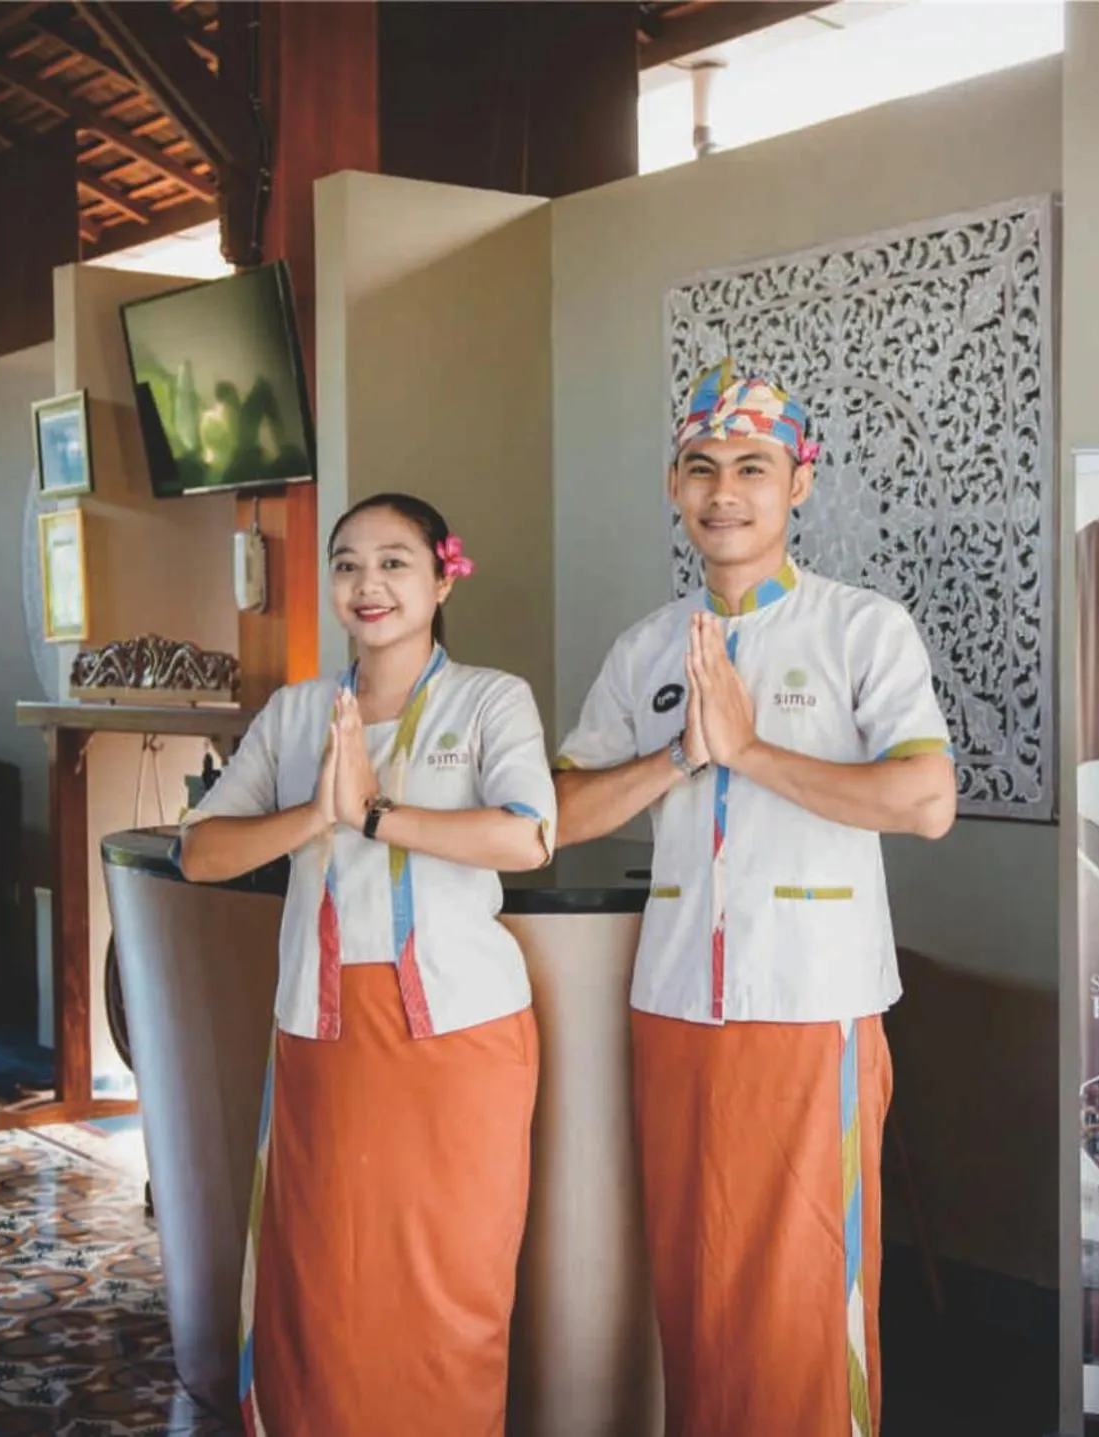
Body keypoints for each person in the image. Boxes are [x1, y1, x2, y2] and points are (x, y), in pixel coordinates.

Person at [553, 362, 958, 1437]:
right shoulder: (646, 648)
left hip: (808, 1008)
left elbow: (924, 800)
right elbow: (554, 809)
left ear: (798, 485)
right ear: (672, 486)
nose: (723, 491)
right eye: (700, 469)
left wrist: (750, 750)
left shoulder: (861, 631)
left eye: (751, 467)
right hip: (676, 1007)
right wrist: (676, 760)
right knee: (695, 1295)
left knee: (801, 1302)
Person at [178, 492, 554, 1437]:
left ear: (441, 575)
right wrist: (316, 813)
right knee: (324, 1284)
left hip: (459, 1038)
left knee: (448, 1286)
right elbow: (200, 850)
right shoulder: (298, 711)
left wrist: (377, 814)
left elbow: (528, 835)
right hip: (322, 1031)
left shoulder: (489, 698)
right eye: (347, 563)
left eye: (393, 561)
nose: (368, 583)